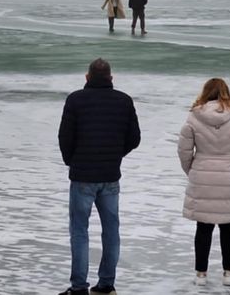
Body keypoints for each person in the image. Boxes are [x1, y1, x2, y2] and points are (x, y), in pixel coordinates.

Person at [58, 58, 141, 295]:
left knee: (79, 231)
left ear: (87, 78)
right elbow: (134, 138)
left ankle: (79, 287)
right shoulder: (124, 101)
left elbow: (65, 137)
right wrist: (115, 155)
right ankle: (106, 284)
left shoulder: (75, 100)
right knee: (111, 230)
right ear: (111, 79)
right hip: (110, 175)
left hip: (82, 176)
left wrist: (72, 161)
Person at [177, 78, 230, 287]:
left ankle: (201, 275)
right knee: (228, 227)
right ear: (226, 92)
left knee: (203, 227)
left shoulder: (194, 116)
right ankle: (229, 274)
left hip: (202, 174)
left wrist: (192, 171)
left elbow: (184, 150)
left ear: (205, 92)